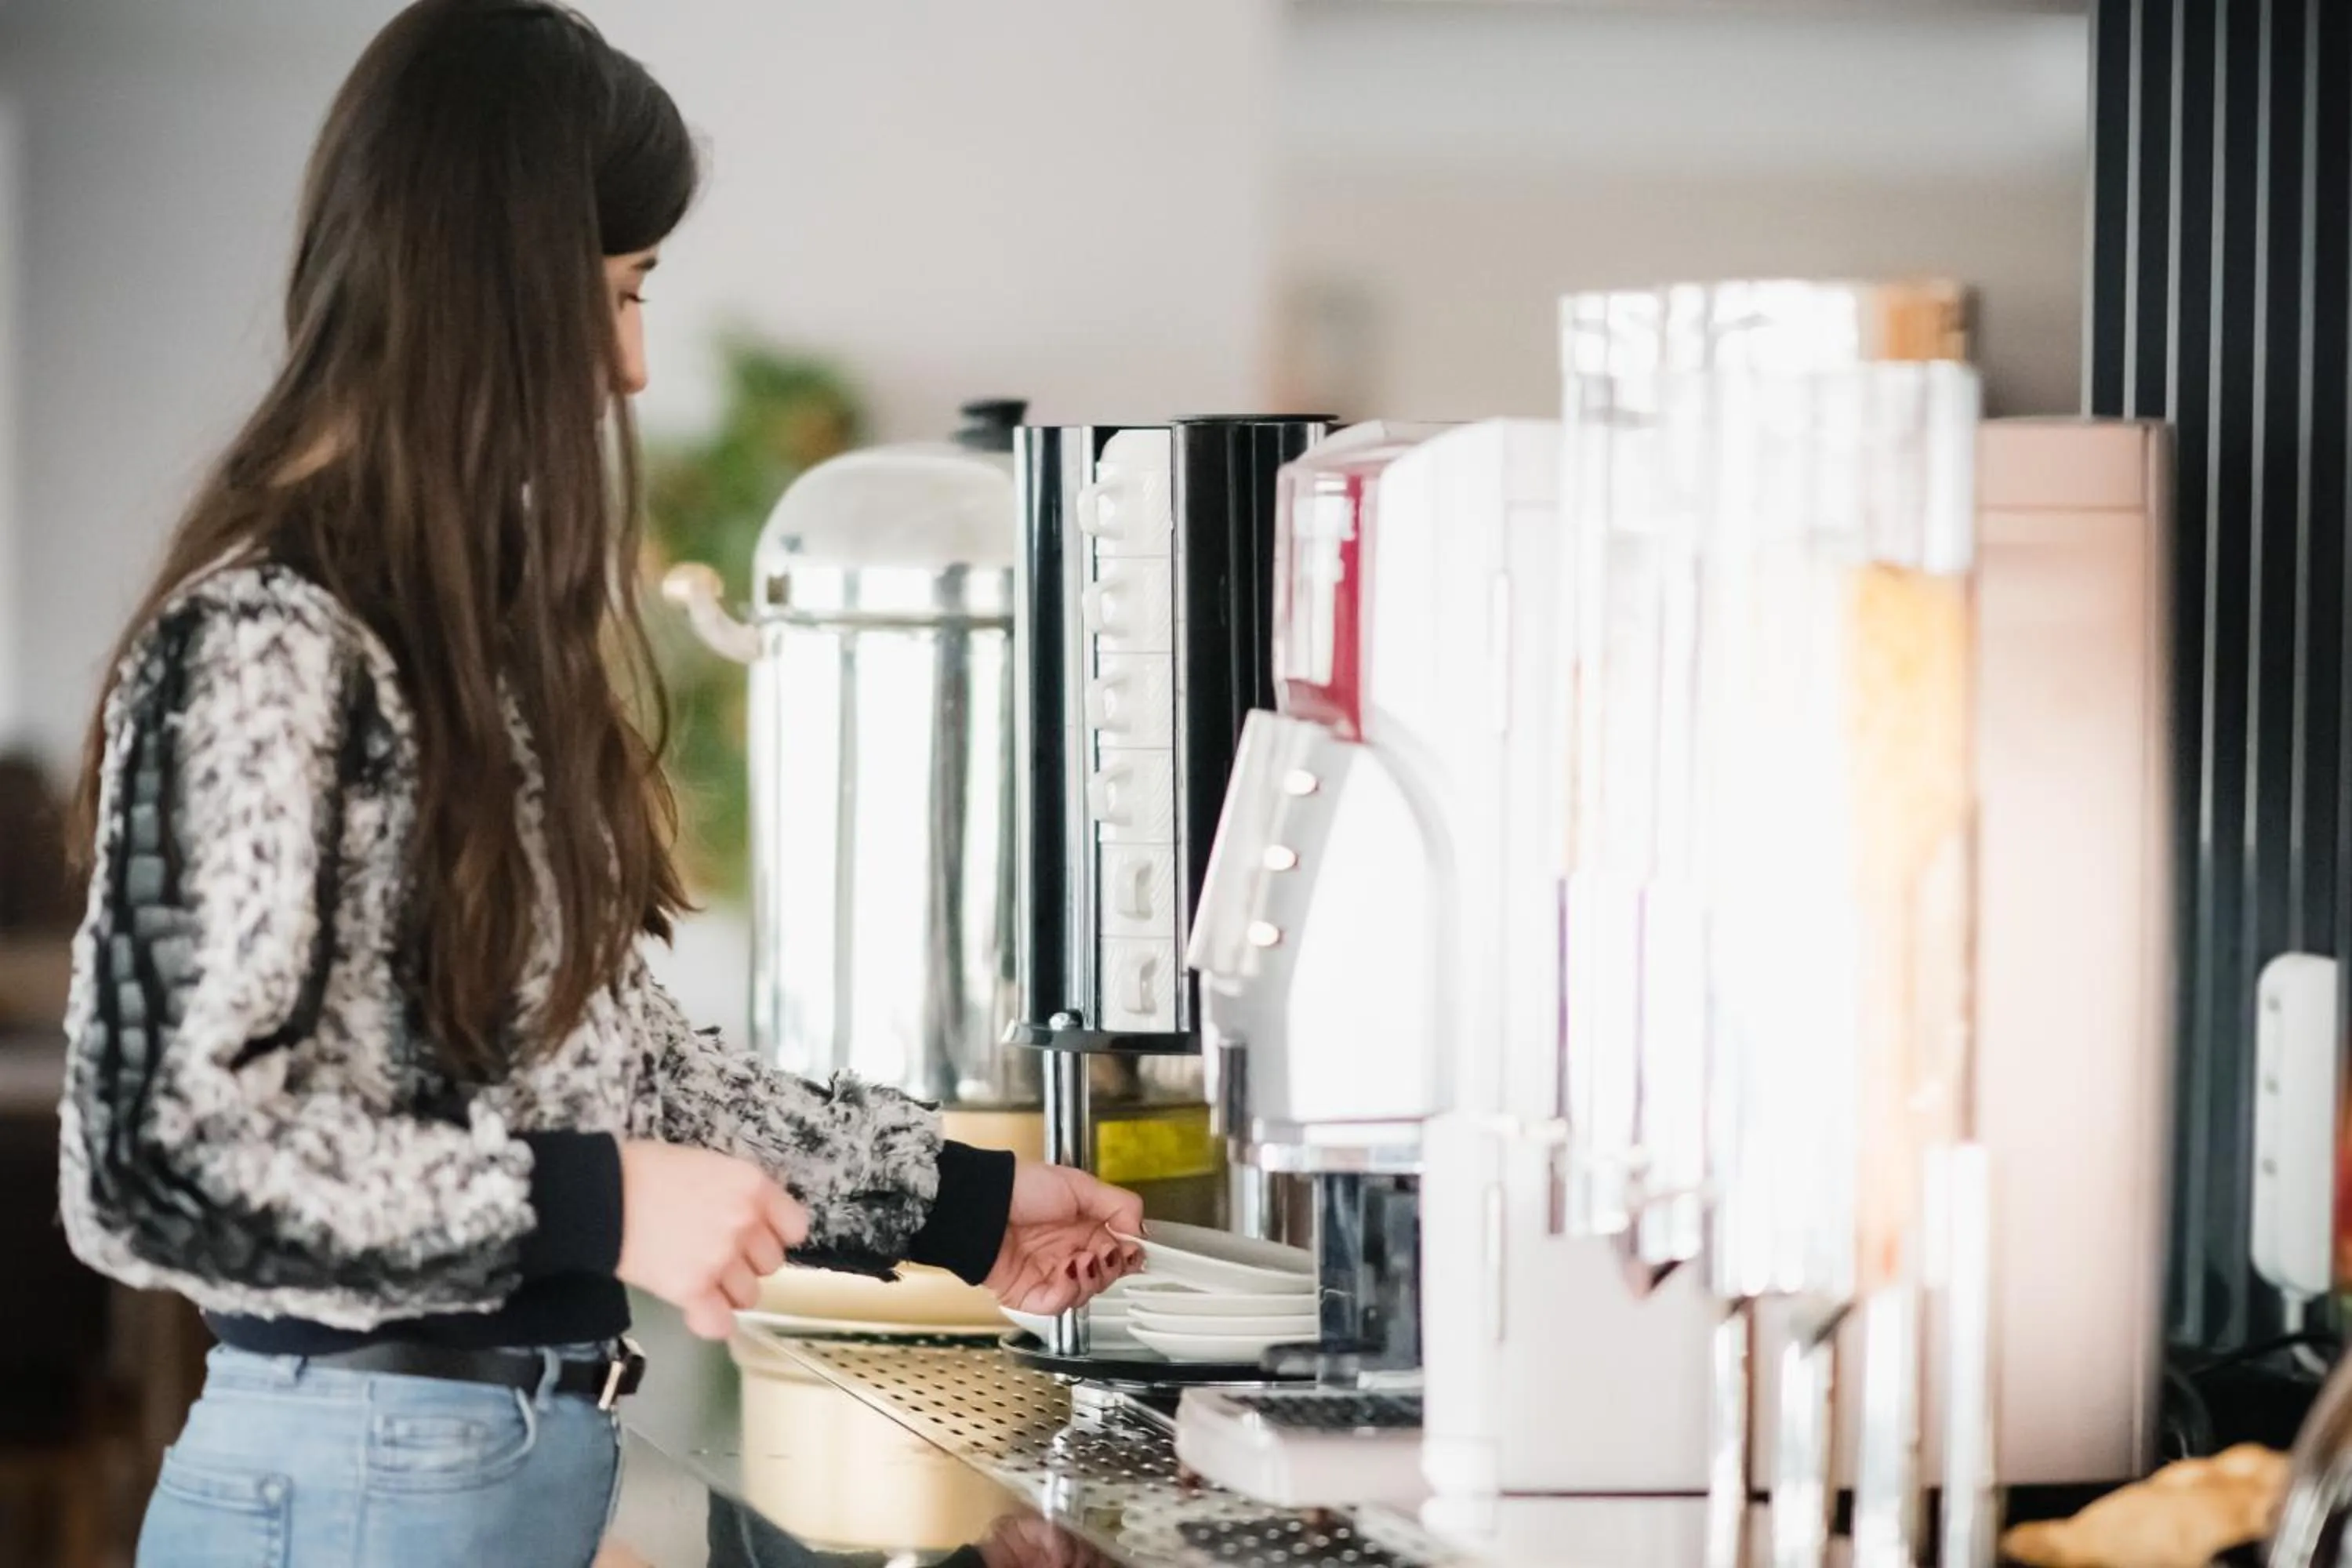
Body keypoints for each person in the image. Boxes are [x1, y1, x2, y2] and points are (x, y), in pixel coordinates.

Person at [53, 3, 1142, 1563]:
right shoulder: (265, 639)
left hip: (470, 1472)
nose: (632, 367)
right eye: (620, 296)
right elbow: (155, 1164)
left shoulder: (448, 649)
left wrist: (971, 1204)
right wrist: (595, 1204)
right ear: (495, 286)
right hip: (359, 1482)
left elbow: (632, 1075)